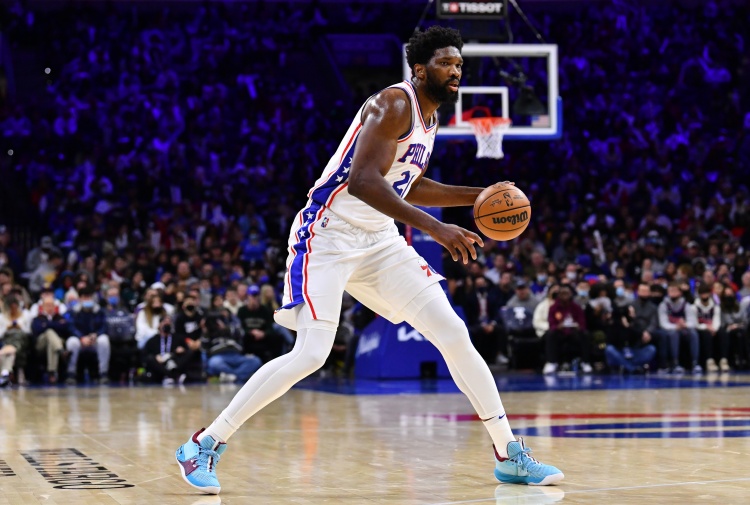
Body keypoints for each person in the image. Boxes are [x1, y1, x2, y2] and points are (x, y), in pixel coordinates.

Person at [175, 26, 563, 495]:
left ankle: (508, 453)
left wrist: (479, 196)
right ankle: (203, 443)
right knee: (311, 353)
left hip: (379, 240)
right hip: (328, 235)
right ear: (420, 69)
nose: (455, 70)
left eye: (459, 64)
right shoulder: (393, 104)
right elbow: (362, 181)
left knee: (453, 333)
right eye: (445, 63)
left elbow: (406, 185)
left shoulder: (430, 119)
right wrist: (436, 228)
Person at [543, 284, 592, 374]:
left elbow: (582, 323)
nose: (565, 296)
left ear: (571, 294)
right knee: (550, 334)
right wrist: (559, 326)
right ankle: (552, 362)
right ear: (559, 295)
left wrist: (577, 326)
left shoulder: (576, 307)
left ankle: (585, 362)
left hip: (573, 333)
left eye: (567, 293)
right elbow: (552, 324)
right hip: (560, 333)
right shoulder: (553, 308)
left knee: (585, 334)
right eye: (562, 293)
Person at [657, 282, 701, 375]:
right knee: (674, 334)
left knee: (693, 333)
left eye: (675, 291)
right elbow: (663, 323)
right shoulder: (664, 305)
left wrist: (685, 325)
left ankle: (695, 363)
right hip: (670, 330)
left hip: (683, 329)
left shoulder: (686, 305)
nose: (672, 293)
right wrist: (675, 326)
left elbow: (693, 322)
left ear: (680, 292)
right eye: (670, 291)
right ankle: (675, 363)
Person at [692, 283, 722, 373]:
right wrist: (706, 327)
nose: (704, 296)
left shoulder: (715, 306)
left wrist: (714, 328)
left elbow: (717, 320)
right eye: (702, 293)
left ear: (709, 293)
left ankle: (723, 360)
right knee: (706, 334)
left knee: (722, 332)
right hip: (700, 329)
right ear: (699, 294)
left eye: (706, 293)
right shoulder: (694, 307)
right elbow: (695, 324)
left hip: (713, 328)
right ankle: (709, 361)